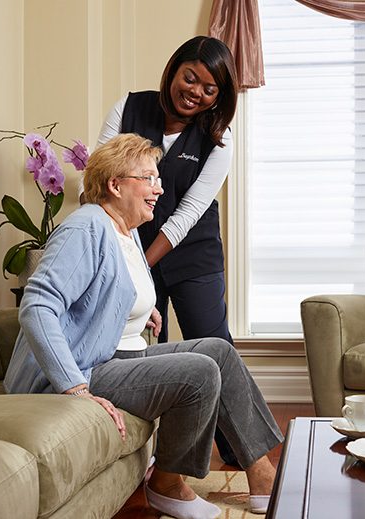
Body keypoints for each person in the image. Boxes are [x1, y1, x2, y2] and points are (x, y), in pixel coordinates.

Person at [5, 134, 283, 518]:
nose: (160, 188)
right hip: (82, 368)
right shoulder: (84, 229)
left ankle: (260, 469)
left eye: (158, 179)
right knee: (199, 372)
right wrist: (75, 388)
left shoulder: (127, 229)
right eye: (149, 179)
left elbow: (107, 289)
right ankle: (166, 484)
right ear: (115, 185)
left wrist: (134, 311)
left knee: (218, 351)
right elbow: (37, 305)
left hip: (113, 353)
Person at [92, 35, 242, 467]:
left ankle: (236, 452)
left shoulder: (219, 139)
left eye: (209, 88)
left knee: (213, 345)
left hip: (191, 251)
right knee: (150, 349)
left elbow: (189, 212)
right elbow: (100, 179)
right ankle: (161, 457)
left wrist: (138, 260)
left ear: (219, 96)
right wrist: (117, 253)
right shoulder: (129, 108)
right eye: (190, 78)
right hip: (130, 241)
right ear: (174, 70)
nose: (195, 91)